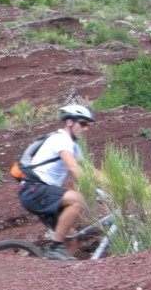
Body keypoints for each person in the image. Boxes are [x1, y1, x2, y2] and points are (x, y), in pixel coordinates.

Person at [17, 104, 95, 261]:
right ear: (69, 122)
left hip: (42, 192)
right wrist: (91, 187)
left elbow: (90, 171)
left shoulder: (73, 146)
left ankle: (59, 275)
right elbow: (73, 168)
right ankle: (54, 247)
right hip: (35, 189)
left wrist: (117, 184)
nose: (86, 128)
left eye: (88, 125)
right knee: (77, 200)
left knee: (71, 240)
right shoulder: (61, 139)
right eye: (83, 123)